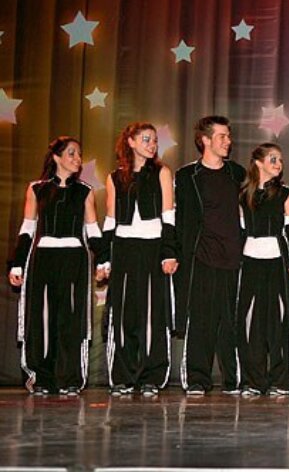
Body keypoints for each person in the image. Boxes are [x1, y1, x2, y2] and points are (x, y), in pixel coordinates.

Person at [8, 137, 101, 395]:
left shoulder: (85, 191)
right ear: (57, 157)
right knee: (42, 318)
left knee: (70, 318)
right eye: (71, 153)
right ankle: (42, 377)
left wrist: (103, 259)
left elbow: (93, 230)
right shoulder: (36, 189)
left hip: (74, 261)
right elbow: (27, 229)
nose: (77, 159)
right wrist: (17, 264)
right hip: (43, 260)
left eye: (79, 154)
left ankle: (69, 377)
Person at [96, 123, 175, 396]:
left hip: (153, 248)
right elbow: (110, 219)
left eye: (154, 140)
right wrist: (104, 260)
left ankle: (152, 376)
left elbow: (168, 216)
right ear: (130, 142)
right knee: (124, 314)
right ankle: (123, 376)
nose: (152, 145)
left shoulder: (162, 173)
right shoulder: (115, 177)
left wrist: (169, 252)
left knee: (153, 313)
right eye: (146, 139)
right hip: (124, 249)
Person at [171, 116, 247, 395]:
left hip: (233, 257)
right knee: (201, 321)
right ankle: (197, 379)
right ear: (205, 140)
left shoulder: (237, 173)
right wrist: (174, 254)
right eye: (222, 136)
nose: (228, 141)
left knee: (230, 321)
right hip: (201, 258)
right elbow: (179, 220)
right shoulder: (187, 176)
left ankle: (233, 379)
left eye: (229, 136)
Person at [236, 143, 289, 396]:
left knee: (278, 320)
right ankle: (254, 380)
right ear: (258, 162)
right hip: (250, 261)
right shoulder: (244, 194)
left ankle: (280, 379)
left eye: (280, 160)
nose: (278, 164)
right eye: (273, 159)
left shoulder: (285, 192)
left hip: (277, 262)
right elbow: (240, 229)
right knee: (250, 320)